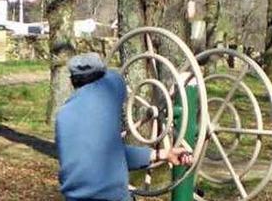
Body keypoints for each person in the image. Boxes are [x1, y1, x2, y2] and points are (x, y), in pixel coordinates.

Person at [56, 53, 193, 201]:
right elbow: (115, 78)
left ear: (72, 82)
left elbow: (111, 155)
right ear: (102, 76)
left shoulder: (62, 116)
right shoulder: (110, 88)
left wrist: (164, 154)